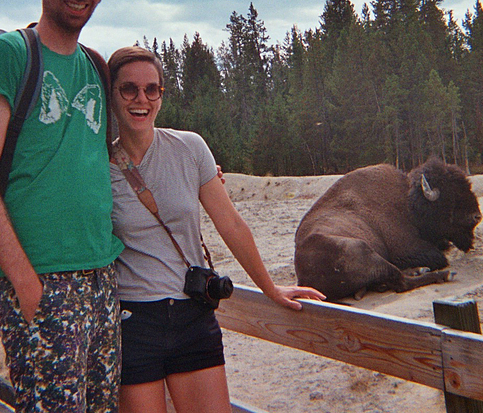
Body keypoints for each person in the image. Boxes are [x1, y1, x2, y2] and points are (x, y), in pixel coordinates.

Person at [0, 0, 125, 412]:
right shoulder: (10, 54)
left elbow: (105, 157)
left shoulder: (95, 65)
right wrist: (27, 284)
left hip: (101, 275)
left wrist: (198, 167)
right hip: (42, 279)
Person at [107, 46, 325, 413]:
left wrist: (269, 288)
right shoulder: (97, 165)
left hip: (193, 314)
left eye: (151, 89)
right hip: (133, 322)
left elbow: (232, 224)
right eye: (128, 89)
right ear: (112, 94)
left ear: (162, 93)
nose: (141, 99)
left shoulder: (190, 148)